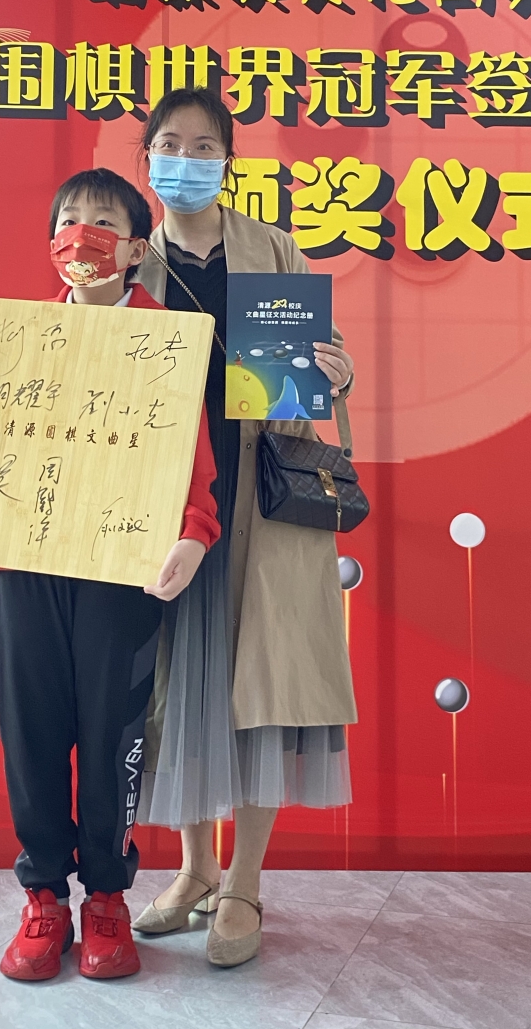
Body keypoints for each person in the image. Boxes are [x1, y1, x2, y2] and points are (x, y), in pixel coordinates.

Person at [0, 168, 220, 983]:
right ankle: (43, 894)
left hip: (122, 570)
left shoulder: (167, 339)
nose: (84, 235)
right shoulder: (15, 335)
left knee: (115, 733)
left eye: (104, 222)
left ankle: (107, 896)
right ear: (51, 240)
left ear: (136, 247)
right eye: (70, 220)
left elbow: (191, 453)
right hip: (28, 563)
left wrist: (196, 532)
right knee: (32, 729)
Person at [129, 87, 358, 968]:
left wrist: (335, 374)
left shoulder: (273, 248)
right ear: (147, 158)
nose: (185, 159)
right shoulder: (131, 260)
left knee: (262, 686)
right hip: (171, 505)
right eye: (169, 143)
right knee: (176, 684)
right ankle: (192, 871)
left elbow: (303, 391)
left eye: (203, 146)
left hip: (264, 499)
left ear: (228, 160)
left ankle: (244, 881)